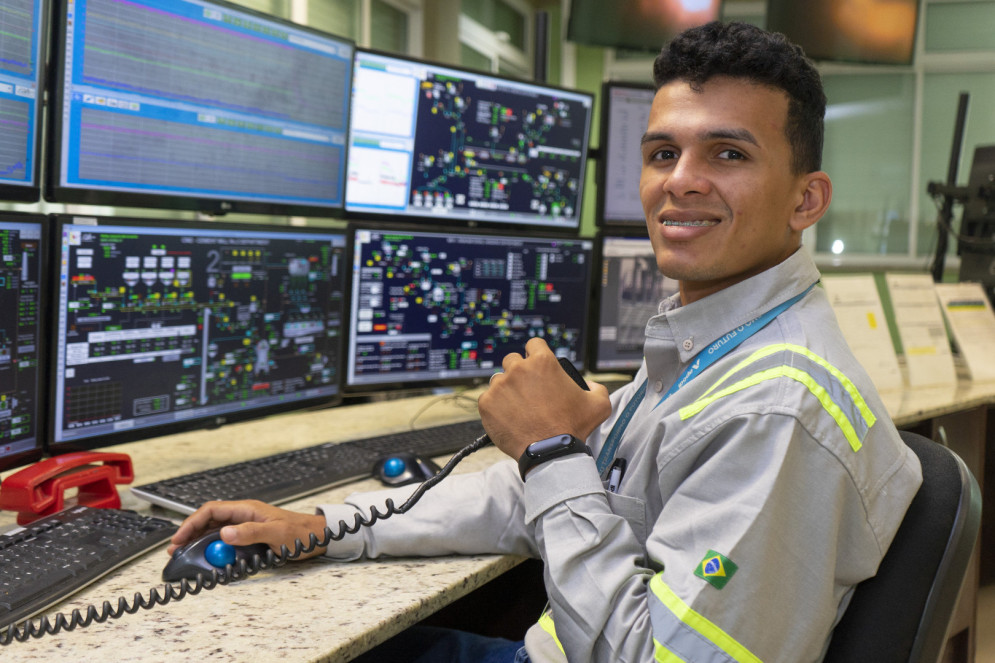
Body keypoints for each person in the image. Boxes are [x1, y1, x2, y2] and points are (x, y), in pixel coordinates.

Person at [169, 21, 922, 662]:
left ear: (805, 198)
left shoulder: (776, 406)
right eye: (662, 153)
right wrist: (329, 526)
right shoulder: (717, 344)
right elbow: (542, 495)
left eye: (727, 154)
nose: (680, 182)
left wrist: (550, 452)